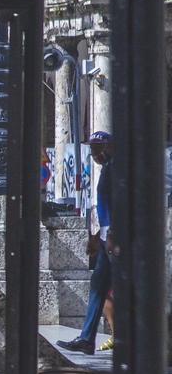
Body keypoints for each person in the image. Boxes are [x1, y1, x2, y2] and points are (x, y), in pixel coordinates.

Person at [58, 130, 113, 355]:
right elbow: (107, 209)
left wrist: (112, 235)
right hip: (105, 239)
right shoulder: (108, 169)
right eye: (92, 148)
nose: (95, 153)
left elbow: (120, 205)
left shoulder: (116, 169)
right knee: (98, 287)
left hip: (115, 241)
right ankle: (86, 338)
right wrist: (96, 235)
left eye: (99, 148)